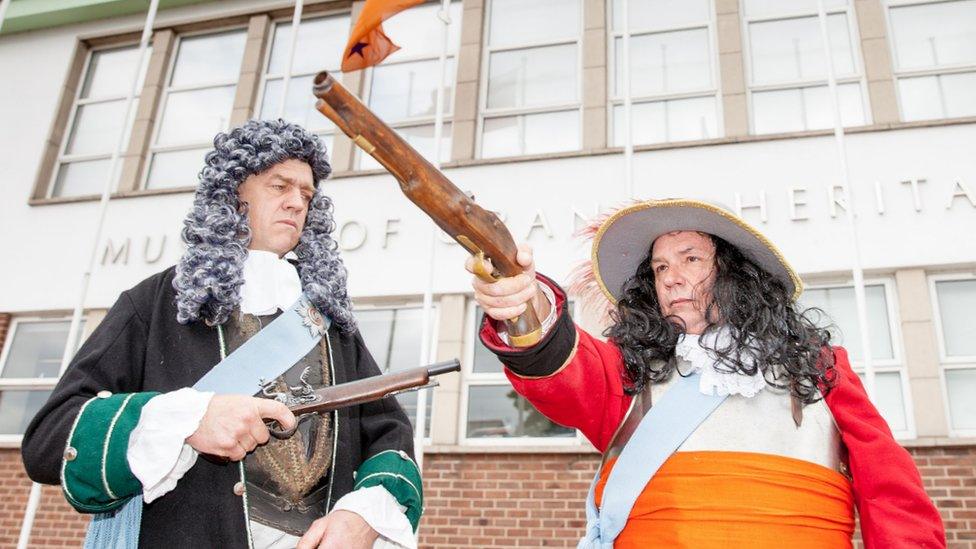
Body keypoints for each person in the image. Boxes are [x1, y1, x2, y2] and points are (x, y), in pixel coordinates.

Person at [22, 119, 422, 549]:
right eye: (279, 186)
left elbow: (390, 435)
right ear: (234, 193)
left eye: (306, 194)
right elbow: (51, 438)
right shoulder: (154, 302)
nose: (296, 203)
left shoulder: (328, 319)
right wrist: (187, 420)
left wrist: (360, 515)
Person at [467, 198, 945, 548]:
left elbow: (892, 495)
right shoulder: (631, 371)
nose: (670, 276)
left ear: (735, 273)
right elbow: (566, 368)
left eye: (690, 259)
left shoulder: (821, 367)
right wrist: (523, 305)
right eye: (659, 268)